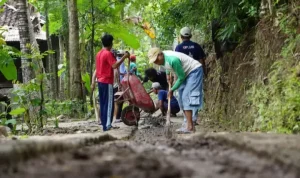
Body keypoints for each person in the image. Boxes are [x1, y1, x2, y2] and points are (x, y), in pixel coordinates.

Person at [148, 47, 204, 134]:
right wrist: (167, 75)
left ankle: (190, 127)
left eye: (155, 59)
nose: (155, 62)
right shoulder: (162, 59)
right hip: (185, 73)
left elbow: (181, 77)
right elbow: (167, 66)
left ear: (160, 54)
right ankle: (187, 124)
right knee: (181, 98)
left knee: (186, 96)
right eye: (153, 61)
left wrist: (172, 90)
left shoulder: (173, 60)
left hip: (194, 71)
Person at [91, 34, 130, 131]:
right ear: (110, 43)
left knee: (103, 103)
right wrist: (124, 57)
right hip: (107, 81)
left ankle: (105, 124)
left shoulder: (99, 53)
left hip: (100, 81)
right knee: (109, 103)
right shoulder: (107, 53)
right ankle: (107, 124)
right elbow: (114, 65)